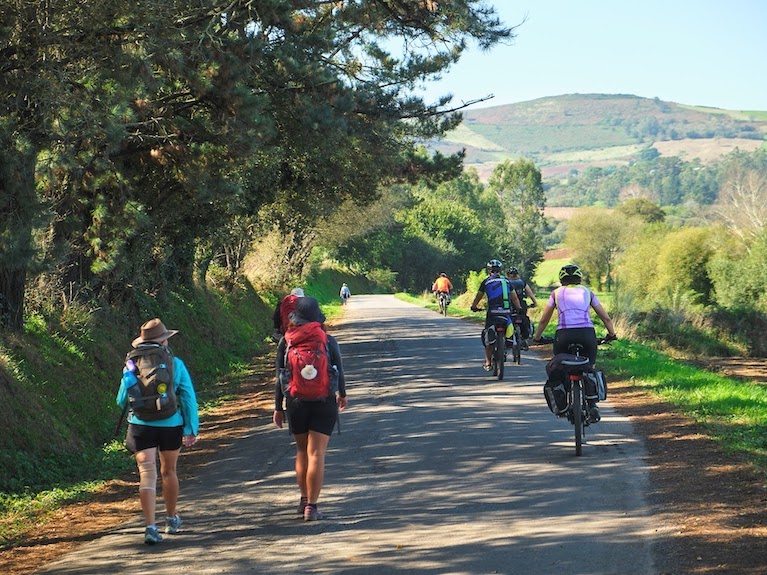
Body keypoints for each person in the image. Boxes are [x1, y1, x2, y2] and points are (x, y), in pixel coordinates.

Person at [116, 318, 199, 545]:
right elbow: (188, 396)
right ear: (163, 341)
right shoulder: (175, 363)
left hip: (140, 425)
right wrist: (191, 428)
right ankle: (171, 519)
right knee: (169, 472)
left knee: (147, 474)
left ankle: (150, 527)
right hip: (171, 424)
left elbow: (121, 399)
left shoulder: (131, 364)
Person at [273, 297, 348, 521]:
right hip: (324, 401)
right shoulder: (328, 340)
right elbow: (340, 370)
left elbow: (279, 378)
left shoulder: (286, 342)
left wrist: (278, 407)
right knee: (317, 453)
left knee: (301, 451)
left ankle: (304, 499)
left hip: (296, 402)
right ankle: (312, 508)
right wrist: (342, 395)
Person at [532, 264, 617, 422]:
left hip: (563, 335)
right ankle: (592, 405)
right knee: (588, 366)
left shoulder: (556, 293)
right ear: (579, 279)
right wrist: (611, 334)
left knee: (562, 366)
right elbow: (605, 318)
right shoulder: (587, 292)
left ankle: (564, 404)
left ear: (562, 279)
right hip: (587, 334)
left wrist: (537, 337)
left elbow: (544, 319)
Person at [470, 259, 522, 371]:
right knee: (509, 324)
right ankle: (509, 341)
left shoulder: (486, 282)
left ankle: (488, 362)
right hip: (506, 312)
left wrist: (474, 307)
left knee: (488, 334)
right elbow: (515, 298)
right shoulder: (507, 282)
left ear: (489, 271)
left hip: (492, 312)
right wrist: (519, 309)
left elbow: (478, 297)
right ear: (500, 270)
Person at [507, 266, 538, 350]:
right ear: (517, 274)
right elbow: (531, 294)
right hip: (522, 304)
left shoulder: (506, 282)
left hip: (509, 305)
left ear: (508, 275)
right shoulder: (522, 282)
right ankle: (525, 338)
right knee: (523, 318)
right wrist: (535, 303)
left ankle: (507, 339)